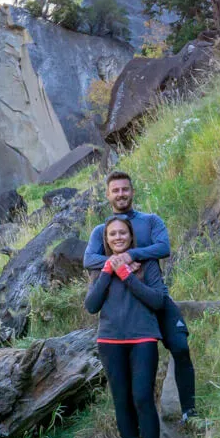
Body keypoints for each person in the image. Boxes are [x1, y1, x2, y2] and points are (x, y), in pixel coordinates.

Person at [83, 171, 197, 424]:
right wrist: (116, 262)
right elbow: (88, 259)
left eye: (125, 189)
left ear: (132, 191)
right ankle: (136, 431)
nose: (121, 194)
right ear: (108, 195)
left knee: (180, 347)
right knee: (132, 376)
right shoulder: (103, 230)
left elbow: (163, 247)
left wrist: (132, 254)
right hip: (127, 309)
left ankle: (190, 411)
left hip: (156, 298)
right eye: (116, 190)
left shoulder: (150, 221)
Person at [85, 217, 167, 438]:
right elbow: (91, 305)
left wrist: (128, 277)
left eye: (123, 233)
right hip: (110, 341)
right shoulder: (99, 268)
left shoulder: (148, 264)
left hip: (143, 337)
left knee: (142, 397)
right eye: (112, 234)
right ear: (106, 240)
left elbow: (158, 300)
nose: (118, 237)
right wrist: (108, 272)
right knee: (122, 400)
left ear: (131, 237)